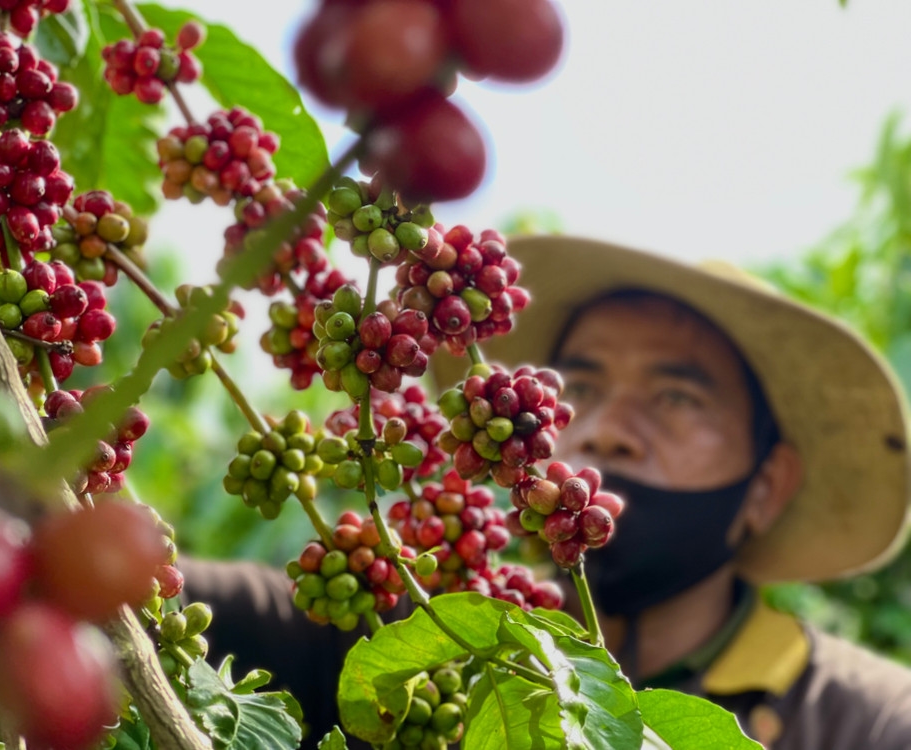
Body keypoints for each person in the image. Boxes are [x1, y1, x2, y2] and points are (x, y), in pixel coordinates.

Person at [181, 234, 911, 749]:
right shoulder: (422, 626)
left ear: (768, 487)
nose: (605, 430)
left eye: (678, 398)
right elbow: (162, 594)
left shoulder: (868, 725)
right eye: (579, 388)